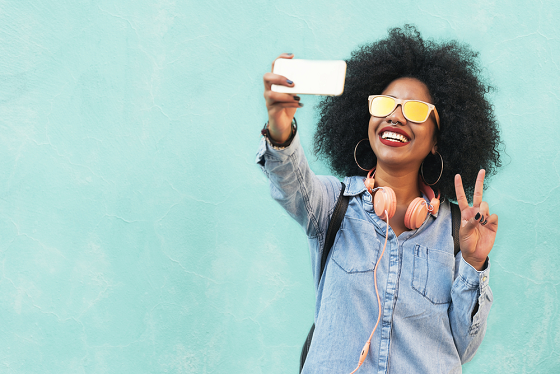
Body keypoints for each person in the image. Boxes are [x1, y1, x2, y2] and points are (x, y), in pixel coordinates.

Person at [256, 25, 501, 374]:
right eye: (385, 104)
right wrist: (280, 128)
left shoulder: (456, 231)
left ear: (437, 139)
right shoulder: (332, 205)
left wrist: (474, 263)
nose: (395, 116)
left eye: (415, 110)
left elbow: (462, 348)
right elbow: (290, 183)